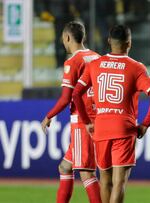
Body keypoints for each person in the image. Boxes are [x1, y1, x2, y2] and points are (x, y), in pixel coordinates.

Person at [72, 24, 150, 203]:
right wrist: (145, 124)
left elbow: (75, 93)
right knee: (119, 182)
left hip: (101, 128)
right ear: (129, 43)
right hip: (123, 128)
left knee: (105, 181)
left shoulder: (94, 65)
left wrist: (87, 121)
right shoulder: (136, 67)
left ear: (108, 41)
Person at [41, 21, 101, 203]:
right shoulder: (97, 57)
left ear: (67, 38)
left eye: (63, 40)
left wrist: (48, 116)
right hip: (98, 118)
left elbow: (66, 98)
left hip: (82, 122)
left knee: (86, 173)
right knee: (65, 167)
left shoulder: (72, 62)